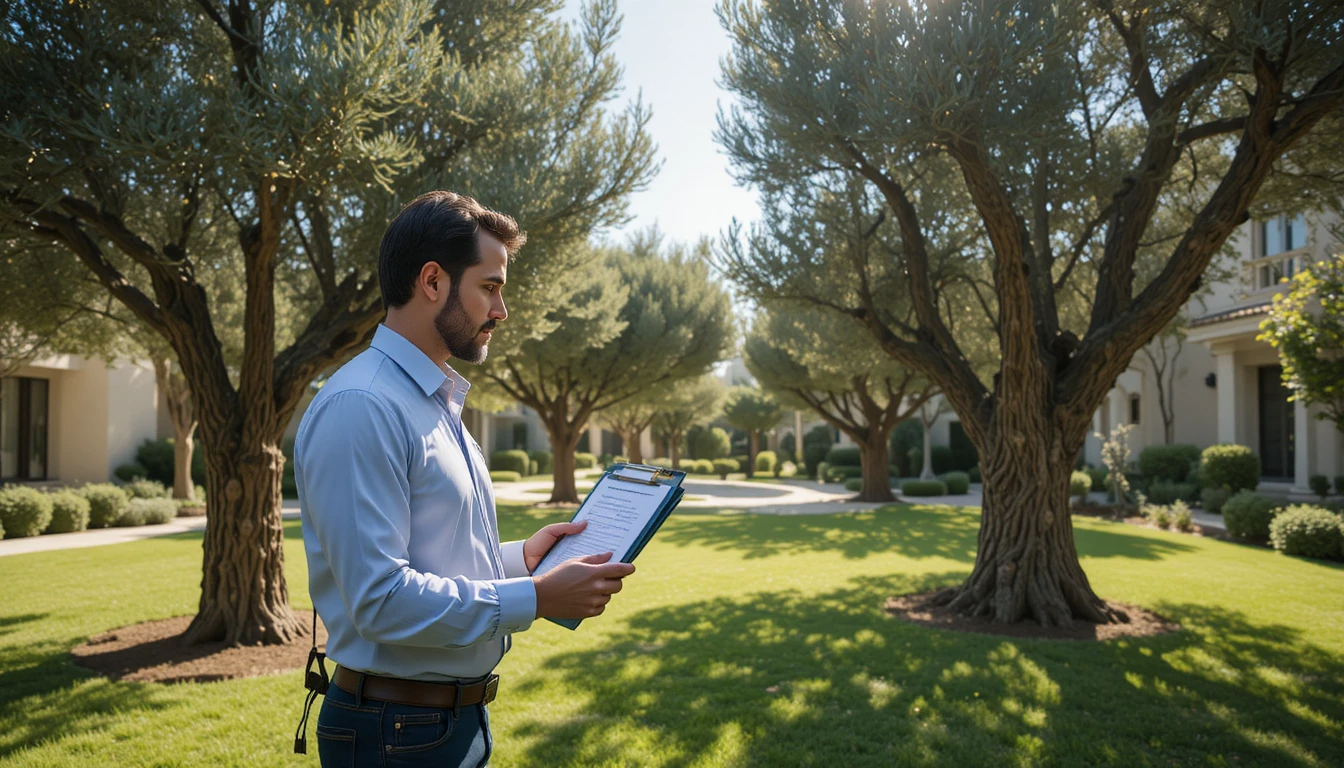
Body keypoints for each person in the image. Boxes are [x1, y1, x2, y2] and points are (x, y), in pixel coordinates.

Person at [295, 191, 635, 767]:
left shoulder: (432, 401)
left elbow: (432, 560)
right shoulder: (364, 405)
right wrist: (536, 596)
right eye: (491, 287)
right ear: (432, 281)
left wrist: (520, 561)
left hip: (443, 722)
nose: (501, 311)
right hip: (394, 732)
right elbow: (379, 599)